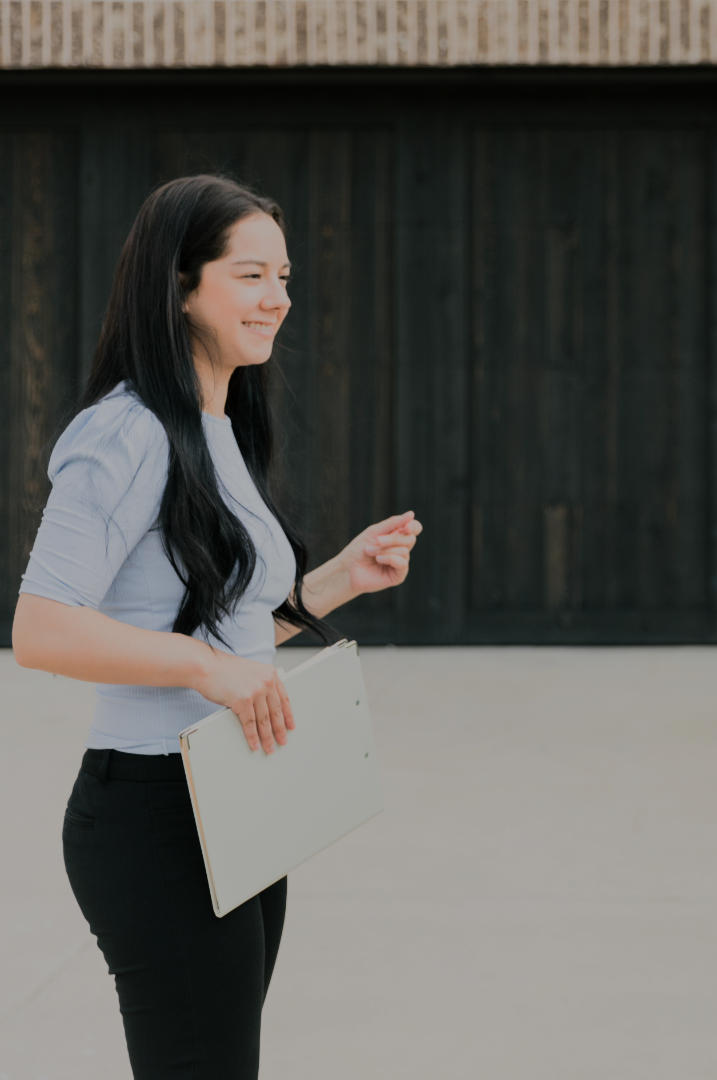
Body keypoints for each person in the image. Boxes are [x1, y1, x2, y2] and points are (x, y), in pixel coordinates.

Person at [11, 174, 425, 1080]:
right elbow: (40, 628)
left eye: (284, 276)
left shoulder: (216, 425)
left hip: (236, 801)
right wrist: (204, 670)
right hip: (152, 815)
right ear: (180, 284)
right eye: (250, 275)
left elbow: (219, 629)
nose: (277, 297)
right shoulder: (125, 432)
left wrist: (336, 582)